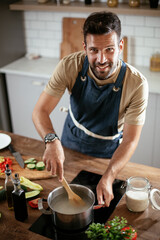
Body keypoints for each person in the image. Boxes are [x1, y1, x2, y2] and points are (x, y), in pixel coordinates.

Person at [32, 11, 148, 207]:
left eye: (109, 49)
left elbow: (130, 140)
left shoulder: (136, 84)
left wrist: (109, 176)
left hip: (107, 156)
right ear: (85, 48)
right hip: (68, 147)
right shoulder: (70, 66)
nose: (102, 59)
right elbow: (39, 111)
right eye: (94, 50)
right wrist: (51, 141)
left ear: (120, 46)